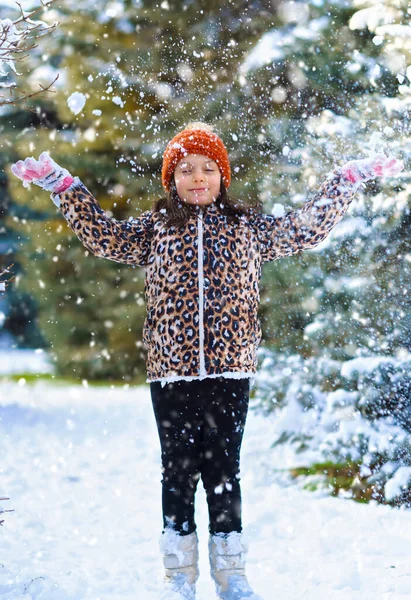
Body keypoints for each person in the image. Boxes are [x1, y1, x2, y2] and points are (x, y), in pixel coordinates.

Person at [11, 122, 403, 600]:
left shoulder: (248, 228)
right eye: (186, 170)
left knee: (223, 469)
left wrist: (346, 180)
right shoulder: (156, 229)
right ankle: (178, 577)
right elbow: (105, 238)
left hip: (230, 367)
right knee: (177, 468)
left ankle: (231, 573)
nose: (198, 178)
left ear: (224, 175)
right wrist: (63, 185)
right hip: (171, 369)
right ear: (171, 179)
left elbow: (304, 229)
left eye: (208, 168)